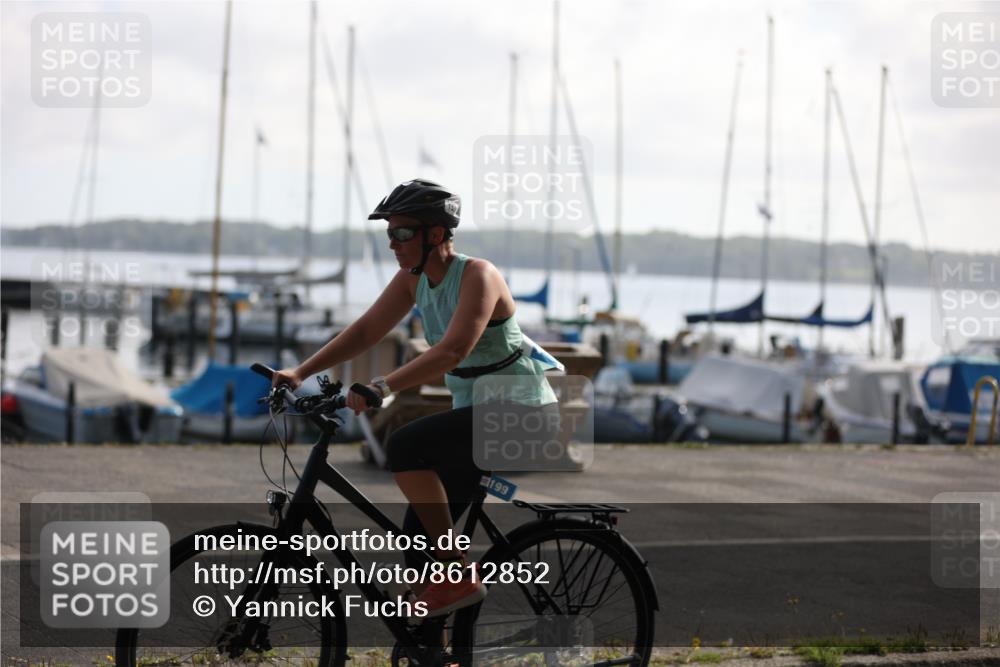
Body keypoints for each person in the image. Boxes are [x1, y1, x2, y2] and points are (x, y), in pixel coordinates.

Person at [271, 179, 560, 617]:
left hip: (521, 411)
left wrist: (381, 387)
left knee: (404, 445)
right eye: (389, 233)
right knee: (417, 539)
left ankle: (455, 573)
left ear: (437, 234)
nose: (393, 243)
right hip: (479, 415)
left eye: (403, 233)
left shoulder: (478, 275)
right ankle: (437, 650)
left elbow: (453, 350)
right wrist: (300, 372)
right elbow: (367, 330)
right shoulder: (414, 280)